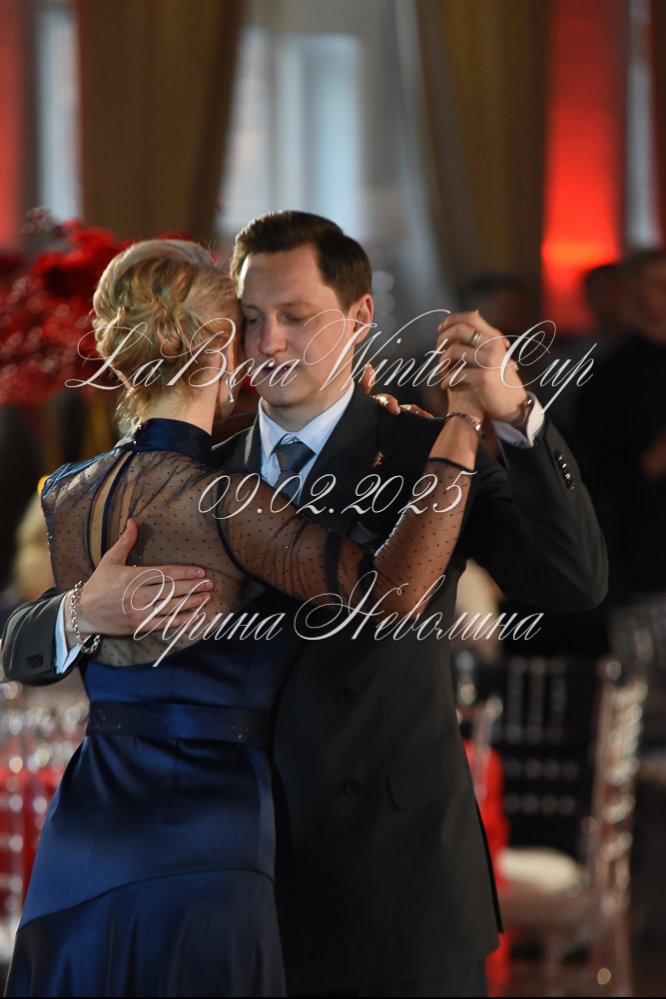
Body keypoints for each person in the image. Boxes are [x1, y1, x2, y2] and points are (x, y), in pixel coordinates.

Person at [2, 213, 608, 998]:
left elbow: (573, 580)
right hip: (232, 885)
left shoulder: (422, 452)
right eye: (252, 318)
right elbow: (24, 637)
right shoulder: (194, 469)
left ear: (359, 318)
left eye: (296, 315)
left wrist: (515, 416)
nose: (271, 341)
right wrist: (82, 609)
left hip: (394, 890)